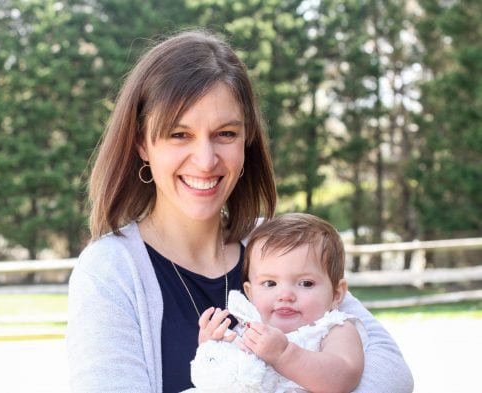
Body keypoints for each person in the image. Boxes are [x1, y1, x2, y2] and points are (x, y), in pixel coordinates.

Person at [66, 29, 414, 393]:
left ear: (247, 140)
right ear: (141, 143)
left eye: (225, 134)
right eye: (179, 135)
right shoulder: (110, 270)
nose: (205, 160)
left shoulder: (276, 246)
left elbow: (390, 373)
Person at [189, 213, 367, 392]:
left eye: (306, 283)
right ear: (250, 293)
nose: (285, 295)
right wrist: (212, 347)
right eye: (270, 283)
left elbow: (344, 376)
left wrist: (284, 355)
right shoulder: (248, 328)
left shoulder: (333, 329)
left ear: (336, 294)